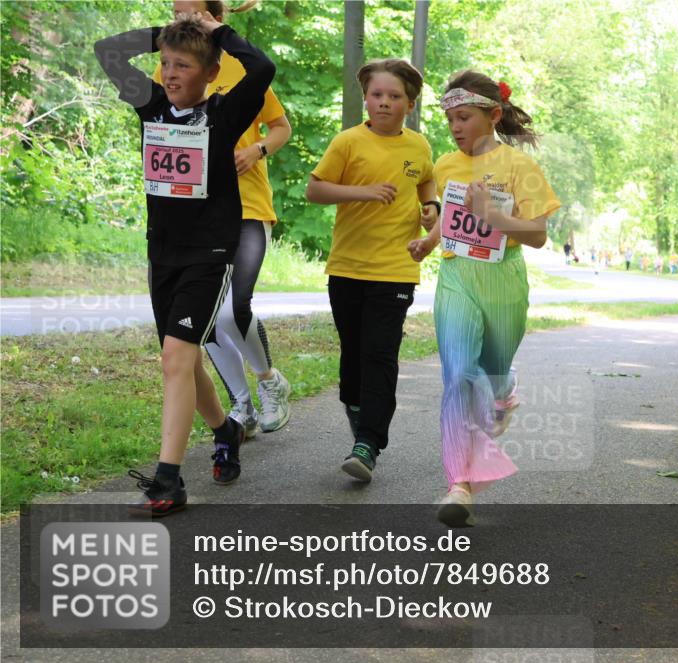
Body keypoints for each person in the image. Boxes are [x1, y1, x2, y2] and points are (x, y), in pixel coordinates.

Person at [95, 10, 275, 514]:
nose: (171, 74)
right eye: (166, 64)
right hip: (164, 254)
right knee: (184, 358)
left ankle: (168, 480)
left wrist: (217, 34)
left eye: (184, 66)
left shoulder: (223, 114)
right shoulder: (151, 107)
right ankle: (226, 429)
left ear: (211, 74)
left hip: (211, 254)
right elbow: (107, 50)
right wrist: (168, 36)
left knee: (175, 357)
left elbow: (261, 69)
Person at [406, 71, 560, 527]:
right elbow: (452, 215)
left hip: (503, 281)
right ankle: (461, 483)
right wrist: (431, 242)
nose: (455, 127)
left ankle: (505, 389)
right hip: (456, 277)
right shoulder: (447, 166)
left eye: (464, 117)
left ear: (493, 115)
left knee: (489, 375)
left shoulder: (520, 167)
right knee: (457, 375)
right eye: (450, 118)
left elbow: (537, 235)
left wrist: (493, 215)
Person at [156, 0, 292, 438]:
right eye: (174, 11)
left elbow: (281, 126)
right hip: (196, 218)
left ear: (215, 17)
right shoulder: (172, 69)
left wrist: (258, 150)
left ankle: (270, 381)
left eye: (189, 12)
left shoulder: (238, 68)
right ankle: (241, 405)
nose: (179, 18)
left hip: (248, 208)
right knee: (206, 323)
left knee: (234, 313)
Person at [305, 59, 436, 481]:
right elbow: (316, 189)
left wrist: (430, 207)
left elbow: (426, 183)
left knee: (380, 354)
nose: (384, 103)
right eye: (377, 95)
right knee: (353, 356)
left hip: (396, 269)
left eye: (394, 96)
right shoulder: (347, 142)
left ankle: (368, 443)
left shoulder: (419, 146)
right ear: (366, 99)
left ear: (409, 104)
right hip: (347, 267)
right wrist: (363, 192)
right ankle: (361, 416)